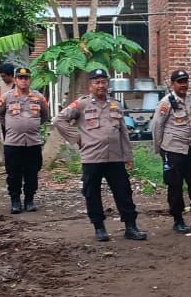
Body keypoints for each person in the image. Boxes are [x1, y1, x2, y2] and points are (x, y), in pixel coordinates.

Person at [55, 68, 147, 242]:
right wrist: (76, 138)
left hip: (115, 158)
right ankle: (99, 228)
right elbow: (59, 119)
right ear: (90, 86)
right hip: (92, 157)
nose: (101, 86)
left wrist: (128, 156)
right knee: (92, 193)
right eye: (97, 82)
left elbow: (123, 133)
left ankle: (131, 227)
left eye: (104, 82)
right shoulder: (81, 104)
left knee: (123, 192)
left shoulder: (115, 104)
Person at [151, 69, 191, 234]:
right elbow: (157, 126)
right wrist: (160, 149)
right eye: (179, 82)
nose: (183, 85)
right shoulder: (166, 103)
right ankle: (178, 220)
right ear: (173, 84)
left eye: (185, 81)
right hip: (173, 149)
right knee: (175, 186)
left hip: (190, 148)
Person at [0, 66, 50, 214]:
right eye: (20, 78)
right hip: (13, 143)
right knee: (13, 174)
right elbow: (0, 115)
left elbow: (45, 116)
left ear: (30, 80)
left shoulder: (39, 98)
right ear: (15, 80)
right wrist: (13, 126)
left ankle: (29, 200)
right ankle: (15, 201)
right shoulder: (7, 97)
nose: (23, 81)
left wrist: (30, 126)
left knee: (32, 172)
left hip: (33, 142)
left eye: (26, 78)